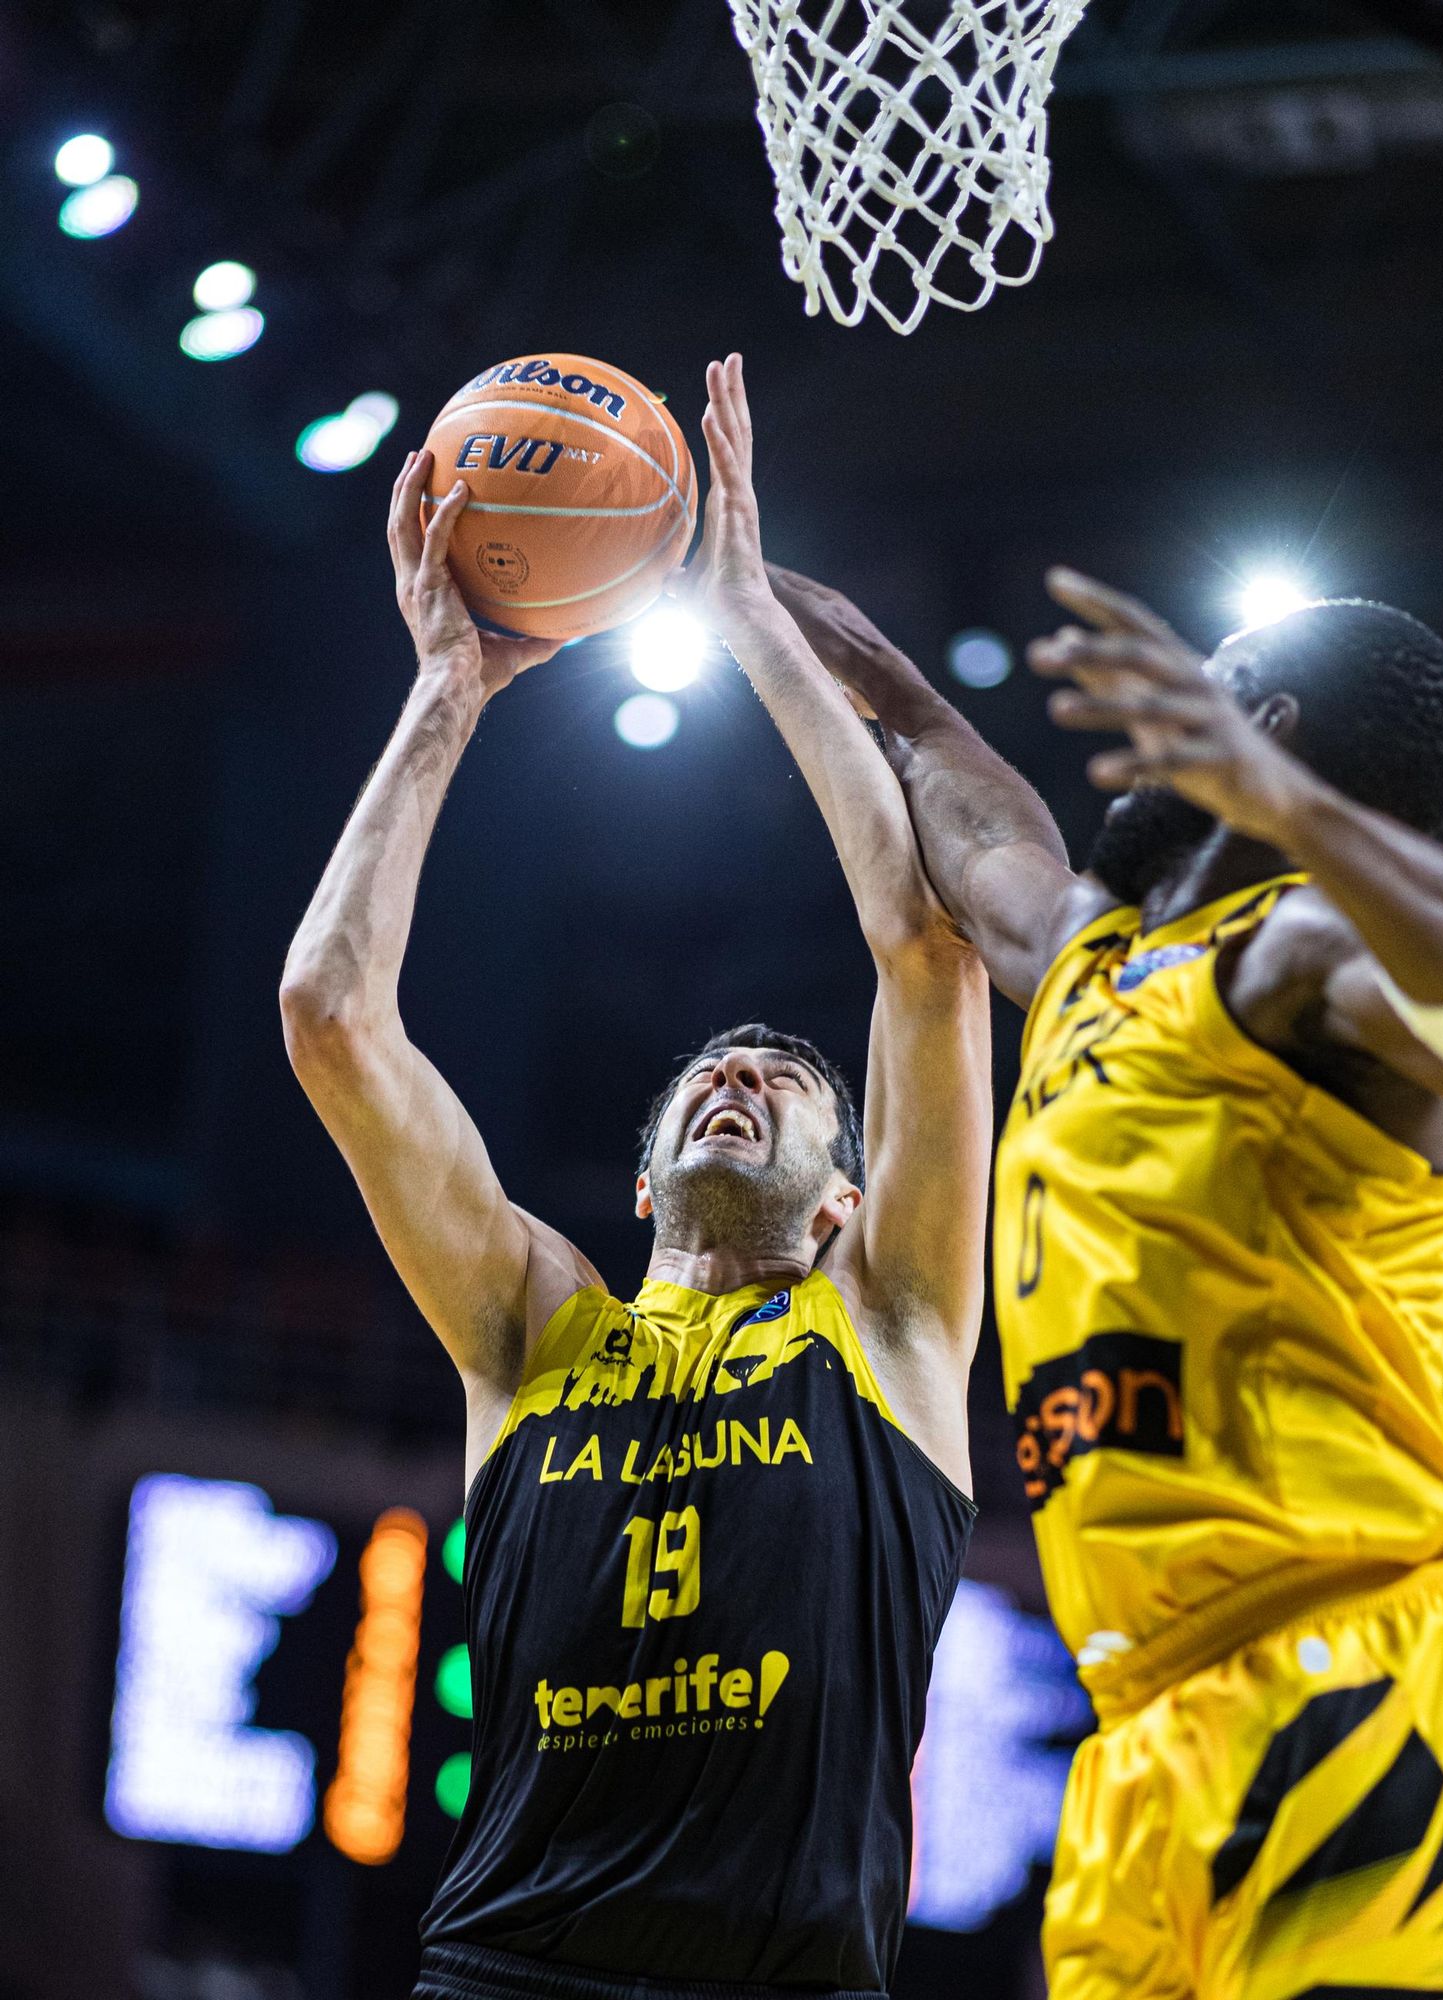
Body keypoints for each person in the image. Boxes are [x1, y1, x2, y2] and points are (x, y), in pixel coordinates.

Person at [770, 559, 1443, 1998]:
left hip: (1362, 1685)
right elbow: (943, 774)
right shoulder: (1088, 961)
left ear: (1260, 731)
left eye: (1206, 687)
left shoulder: (1303, 956)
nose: (1153, 733)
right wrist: (752, 589)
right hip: (1143, 1744)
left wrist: (1292, 811)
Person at [278, 356, 990, 2000]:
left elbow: (926, 950)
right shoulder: (536, 1329)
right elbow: (328, 1016)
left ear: (844, 1202)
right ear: (648, 1185)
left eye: (786, 1082)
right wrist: (447, 693)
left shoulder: (889, 1324)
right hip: (505, 1971)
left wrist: (751, 619)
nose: (737, 1076)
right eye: (709, 1079)